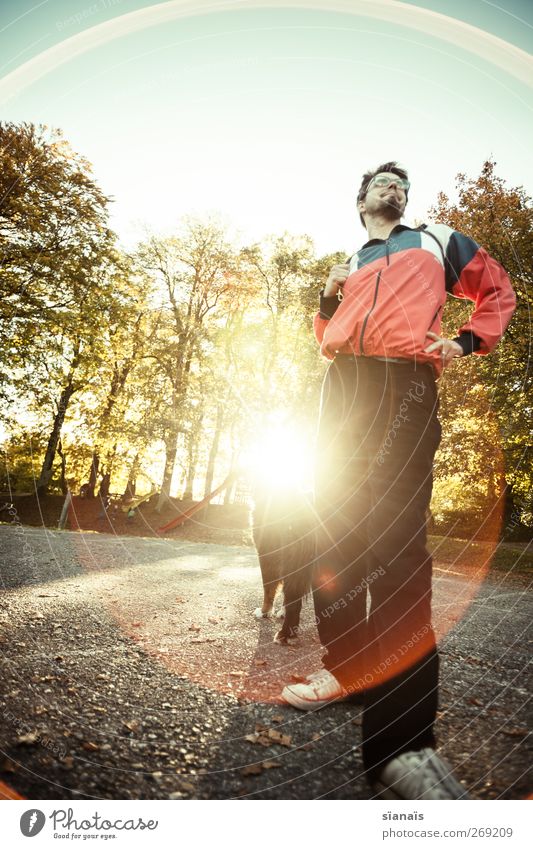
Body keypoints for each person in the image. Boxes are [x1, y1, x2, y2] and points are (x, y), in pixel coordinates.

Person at [281, 161, 516, 799]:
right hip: (344, 390)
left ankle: (405, 749)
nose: (397, 191)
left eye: (404, 187)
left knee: (395, 546)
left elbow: (499, 291)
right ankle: (347, 667)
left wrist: (467, 342)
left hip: (403, 387)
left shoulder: (436, 240)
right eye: (385, 184)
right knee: (330, 535)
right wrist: (325, 302)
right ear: (361, 200)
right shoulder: (351, 259)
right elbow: (327, 340)